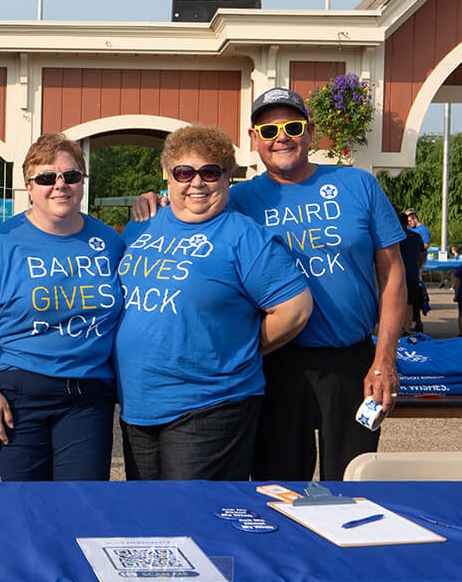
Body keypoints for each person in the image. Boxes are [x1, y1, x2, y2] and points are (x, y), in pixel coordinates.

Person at [133, 87, 405, 481]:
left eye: (293, 126)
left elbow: (393, 273)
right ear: (253, 138)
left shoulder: (358, 185)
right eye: (269, 128)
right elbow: (188, 195)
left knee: (350, 484)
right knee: (276, 486)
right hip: (277, 361)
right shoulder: (237, 197)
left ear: (311, 132)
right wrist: (151, 200)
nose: (282, 136)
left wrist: (384, 360)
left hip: (352, 359)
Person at [116, 125, 312, 481]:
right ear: (169, 177)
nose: (197, 183)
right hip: (139, 405)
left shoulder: (245, 237)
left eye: (210, 172)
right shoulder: (143, 227)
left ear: (226, 178)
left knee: (195, 520)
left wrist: (237, 349)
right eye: (184, 172)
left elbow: (294, 309)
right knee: (146, 518)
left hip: (209, 404)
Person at [0, 133, 123, 481]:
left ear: (83, 181)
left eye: (71, 176)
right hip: (15, 394)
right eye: (47, 178)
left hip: (87, 396)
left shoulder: (110, 241)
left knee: (81, 506)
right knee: (16, 509)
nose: (60, 186)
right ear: (29, 186)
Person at [397, 211, 426, 336]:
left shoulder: (394, 237)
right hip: (412, 274)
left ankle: (396, 329)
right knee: (409, 303)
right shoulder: (416, 236)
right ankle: (407, 329)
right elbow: (421, 256)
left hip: (397, 274)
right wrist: (416, 267)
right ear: (407, 222)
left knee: (395, 302)